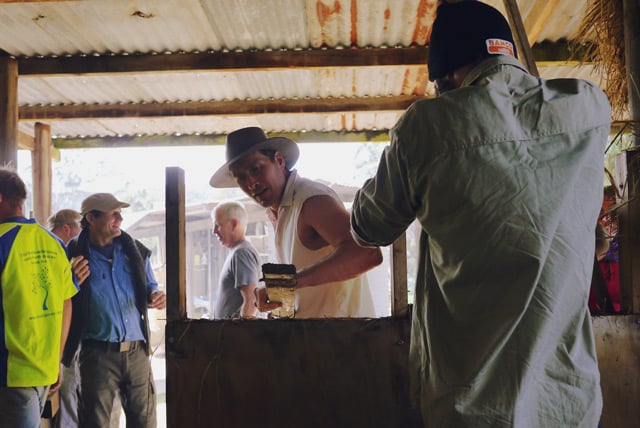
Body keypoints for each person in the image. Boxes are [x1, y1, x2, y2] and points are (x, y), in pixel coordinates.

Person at [349, 1, 611, 426]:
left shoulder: (427, 126)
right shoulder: (590, 108)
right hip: (570, 404)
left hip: (473, 409)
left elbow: (368, 227)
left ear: (446, 74)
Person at [209, 126, 382, 318]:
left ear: (279, 161)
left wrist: (289, 282)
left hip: (345, 340)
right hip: (318, 339)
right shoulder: (279, 211)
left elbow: (367, 254)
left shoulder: (311, 200)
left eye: (256, 169)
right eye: (241, 177)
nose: (251, 183)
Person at [61, 193, 166, 428]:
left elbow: (150, 288)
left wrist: (154, 297)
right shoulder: (72, 256)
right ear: (91, 218)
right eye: (114, 213)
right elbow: (61, 299)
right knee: (96, 423)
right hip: (96, 355)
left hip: (137, 353)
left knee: (145, 422)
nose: (120, 218)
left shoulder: (135, 252)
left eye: (120, 213)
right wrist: (70, 282)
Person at [0, 167, 78, 428]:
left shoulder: (2, 242)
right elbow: (66, 302)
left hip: (11, 373)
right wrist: (56, 358)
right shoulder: (54, 243)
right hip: (44, 369)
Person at [211, 201, 261, 318]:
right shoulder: (236, 252)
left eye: (218, 225)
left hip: (236, 335)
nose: (214, 231)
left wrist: (240, 334)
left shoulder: (241, 253)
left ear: (234, 224)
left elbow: (252, 300)